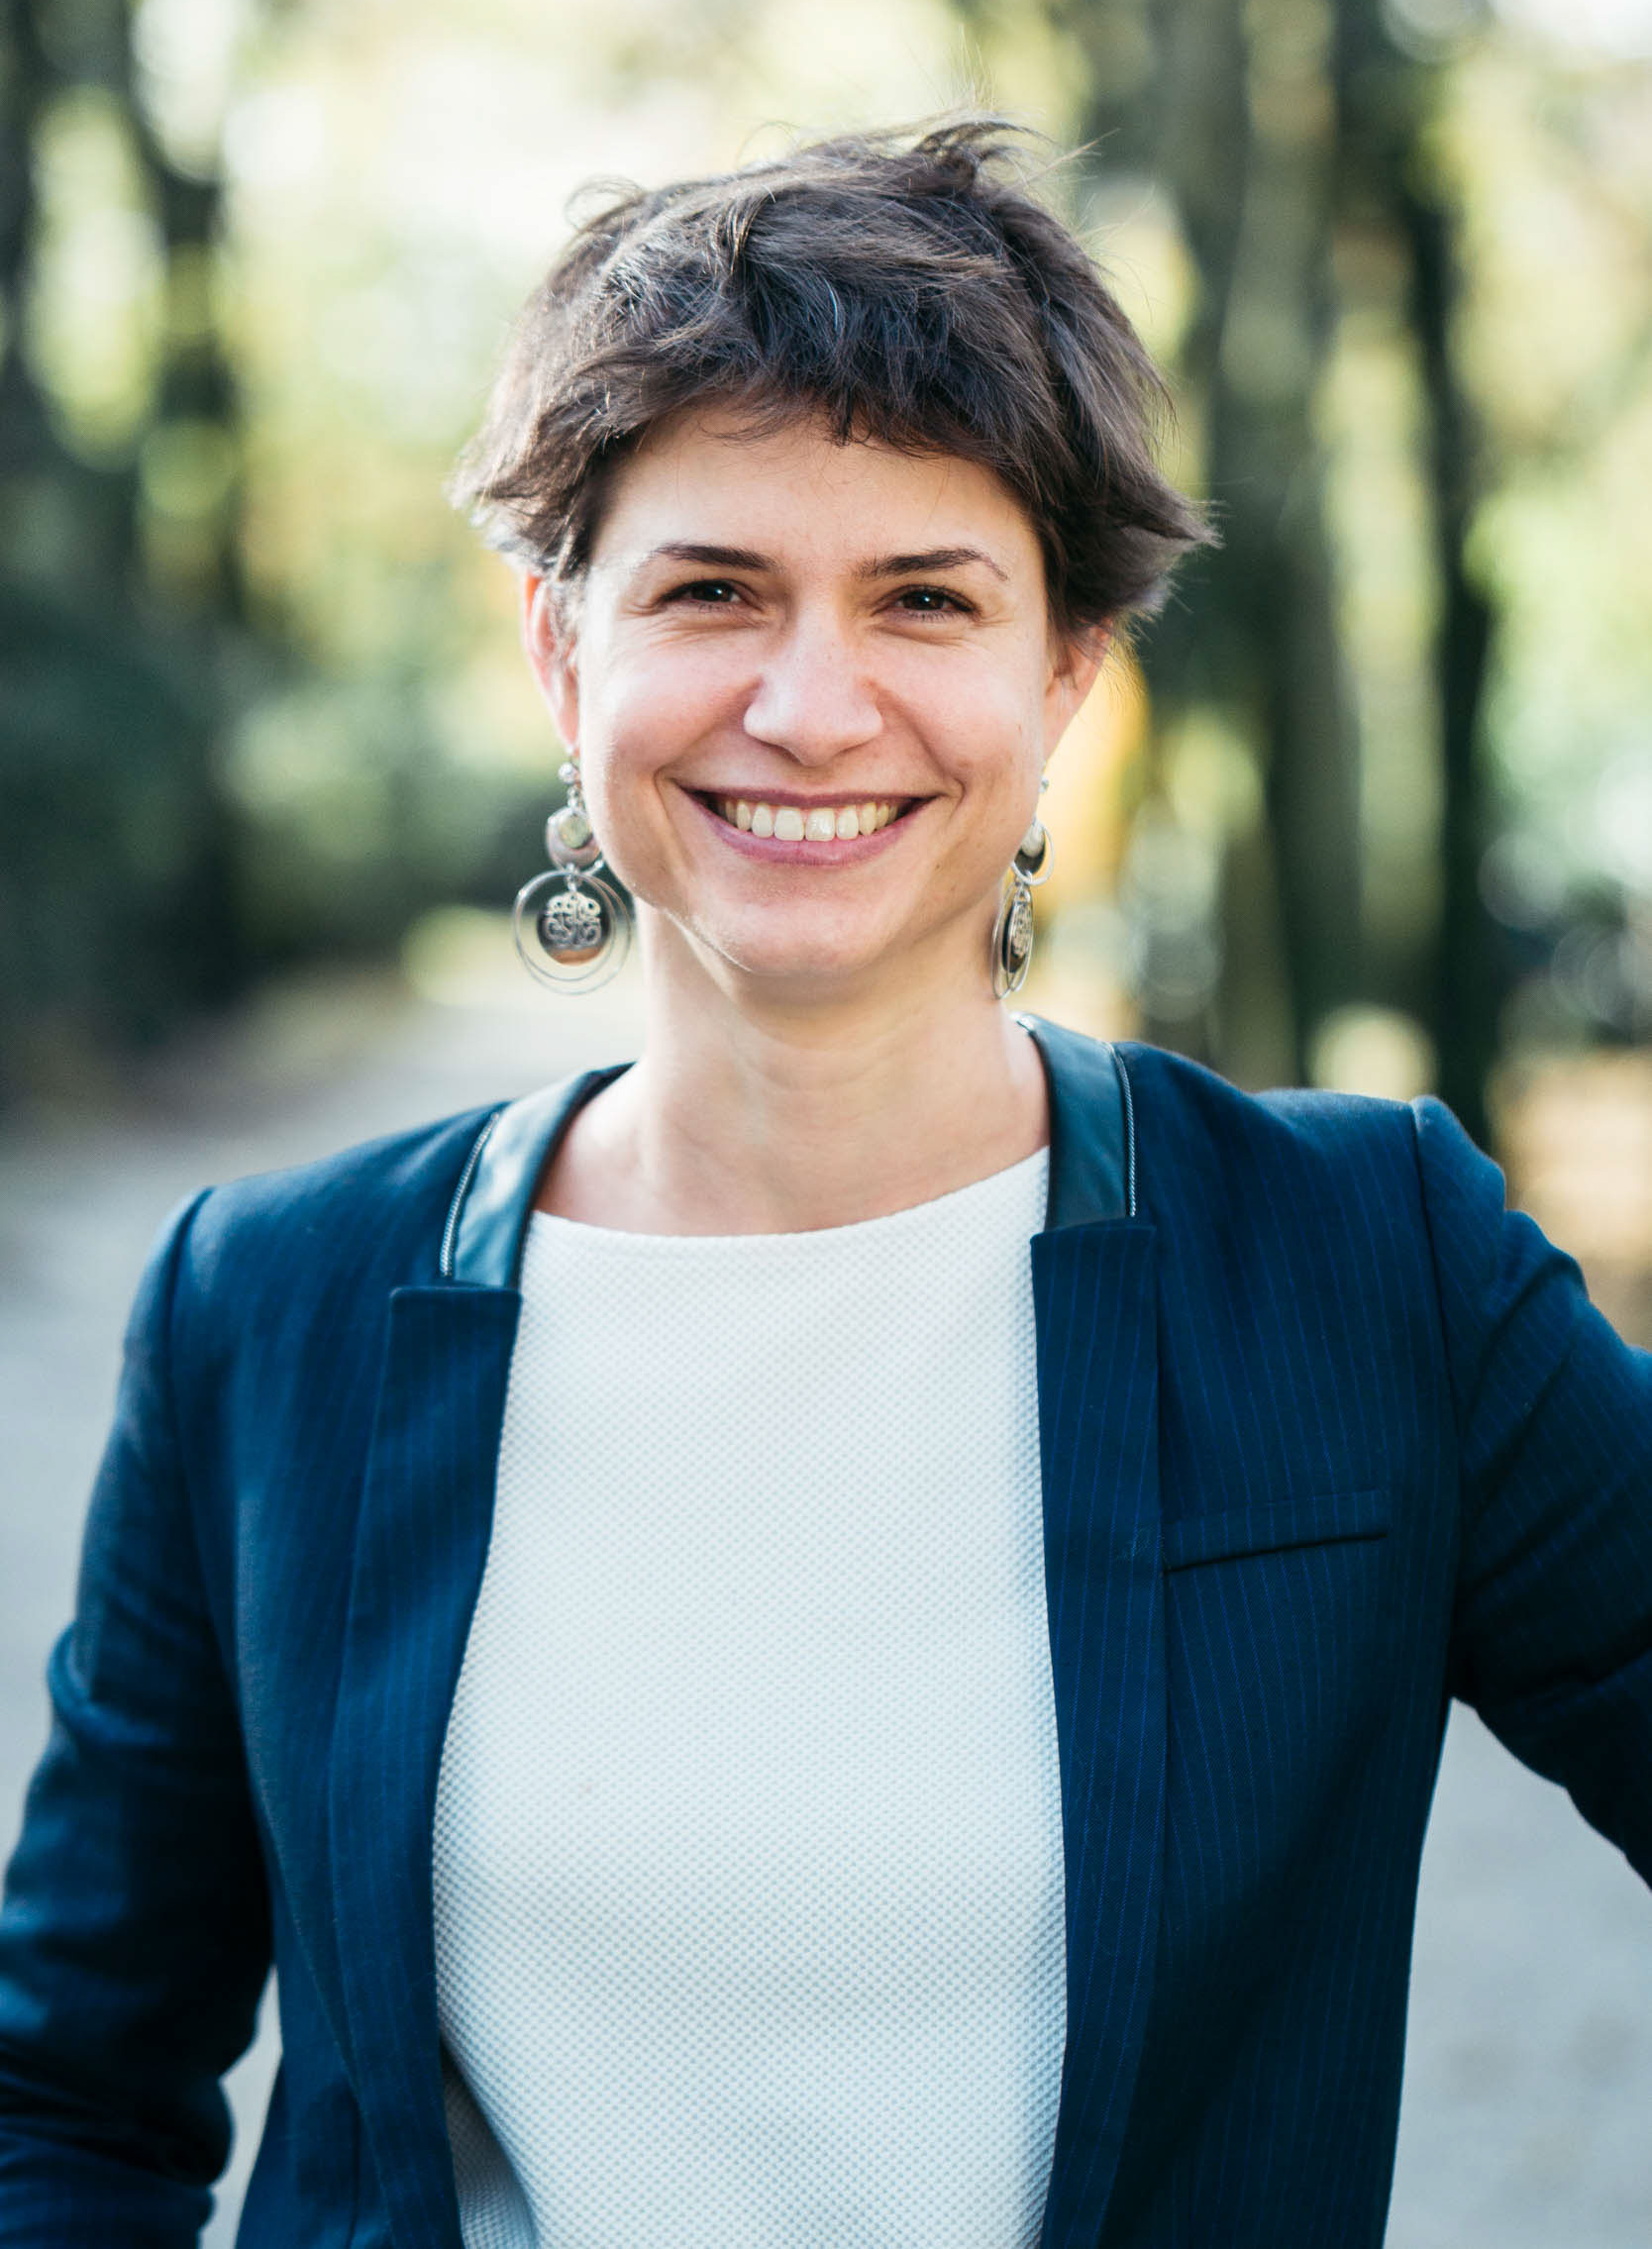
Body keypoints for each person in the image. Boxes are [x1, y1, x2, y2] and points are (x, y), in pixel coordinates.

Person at [0, 120, 1647, 2249]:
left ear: (1064, 673)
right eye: (710, 589)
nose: (808, 703)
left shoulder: (1372, 1264)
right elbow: (60, 2095)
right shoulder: (270, 1303)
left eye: (924, 597)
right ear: (560, 653)